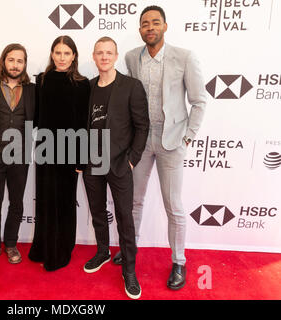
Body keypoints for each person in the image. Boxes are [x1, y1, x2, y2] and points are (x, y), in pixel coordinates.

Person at [114, 5, 207, 290]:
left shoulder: (185, 57)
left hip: (172, 141)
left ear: (165, 26)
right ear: (140, 29)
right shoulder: (131, 58)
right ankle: (131, 248)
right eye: (145, 24)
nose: (150, 27)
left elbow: (199, 100)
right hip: (140, 140)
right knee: (134, 202)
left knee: (173, 205)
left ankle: (178, 260)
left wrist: (188, 137)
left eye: (155, 22)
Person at [81, 37, 149, 299]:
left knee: (124, 217)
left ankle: (129, 270)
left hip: (120, 163)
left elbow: (142, 126)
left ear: (116, 55)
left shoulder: (131, 86)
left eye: (109, 52)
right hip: (91, 164)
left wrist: (132, 158)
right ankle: (102, 251)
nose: (104, 57)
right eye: (100, 53)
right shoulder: (87, 88)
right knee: (98, 211)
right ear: (94, 57)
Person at [28, 35, 90, 271]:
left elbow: (84, 123)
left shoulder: (82, 83)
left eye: (67, 53)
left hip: (70, 151)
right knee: (44, 201)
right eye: (58, 52)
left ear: (74, 56)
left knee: (64, 202)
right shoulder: (42, 80)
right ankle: (42, 247)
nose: (62, 57)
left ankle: (61, 251)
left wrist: (81, 159)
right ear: (52, 54)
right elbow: (38, 118)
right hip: (45, 150)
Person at [0, 44, 35, 267]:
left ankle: (11, 243)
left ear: (24, 64)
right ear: (3, 61)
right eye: (11, 60)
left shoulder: (32, 90)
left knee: (17, 203)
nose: (15, 65)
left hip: (20, 157)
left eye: (20, 61)